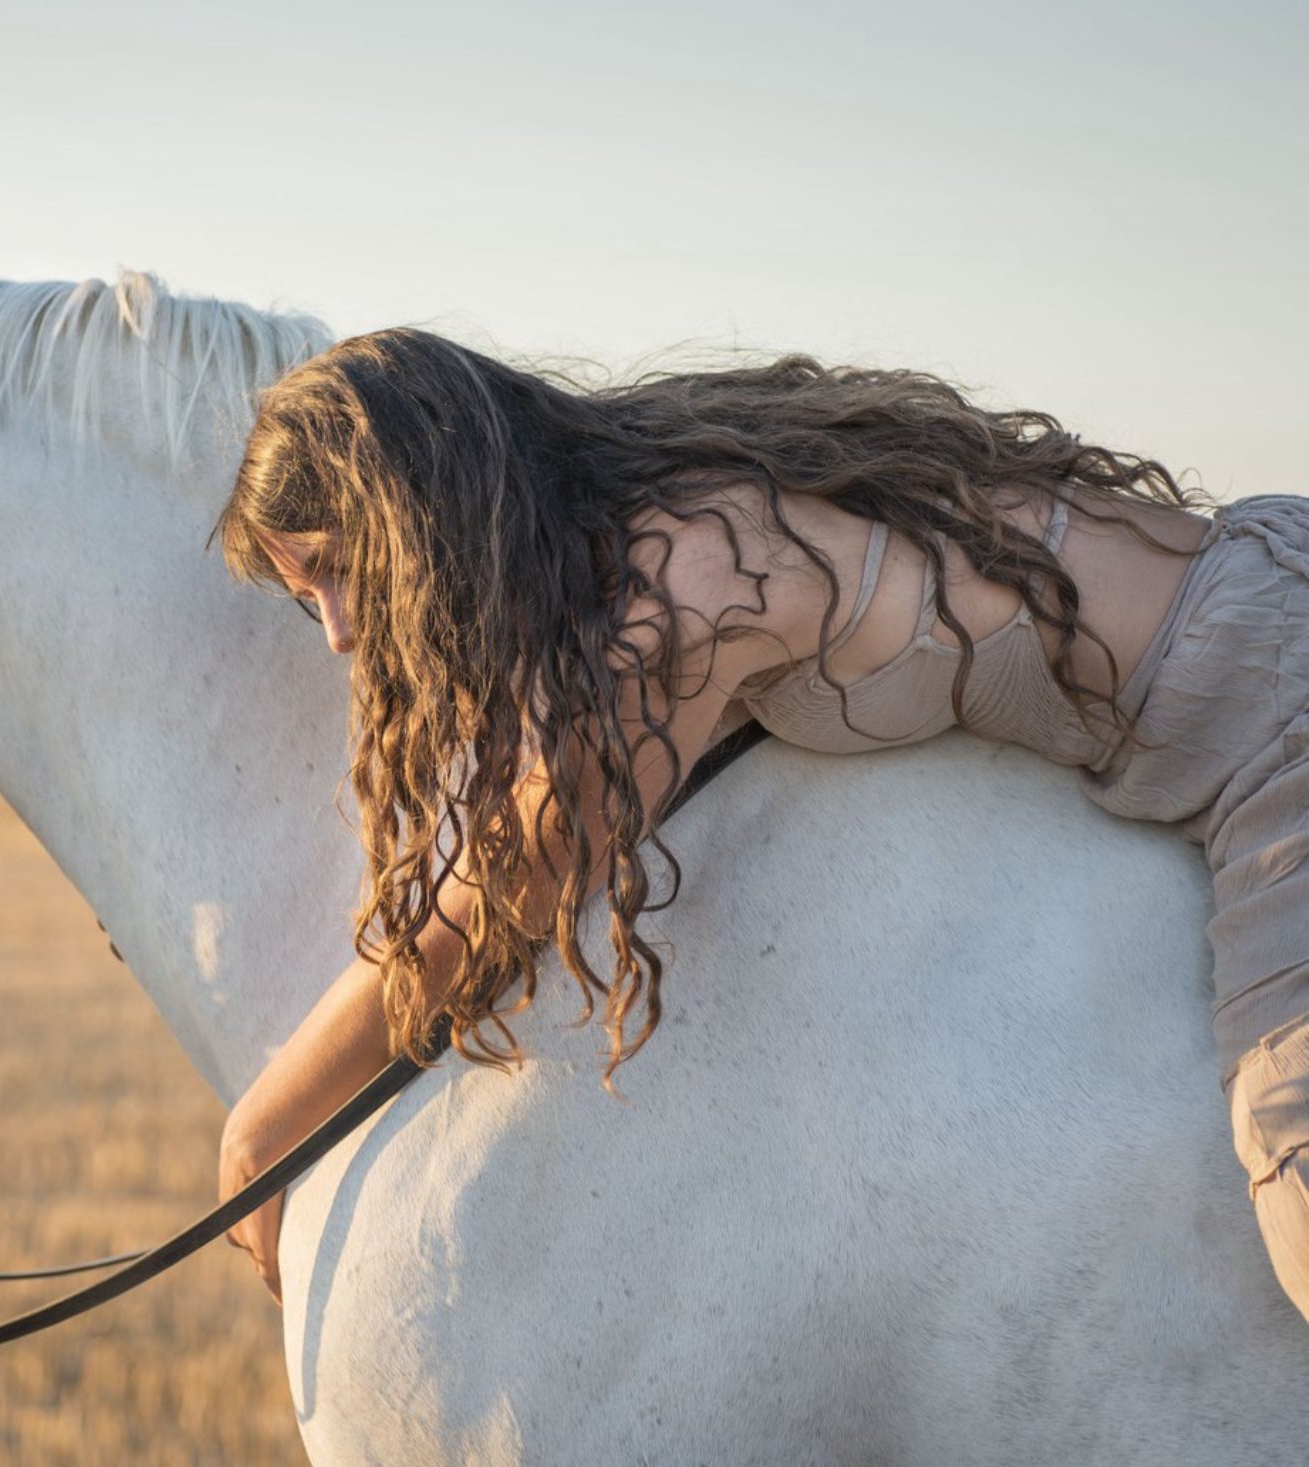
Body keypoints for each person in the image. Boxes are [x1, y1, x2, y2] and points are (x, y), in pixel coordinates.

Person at [208, 328, 1309, 1323]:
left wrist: (264, 1125)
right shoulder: (666, 502)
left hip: (1270, 702)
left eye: (349, 574)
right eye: (311, 597)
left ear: (436, 517)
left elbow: (514, 881)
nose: (343, 635)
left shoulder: (688, 584)